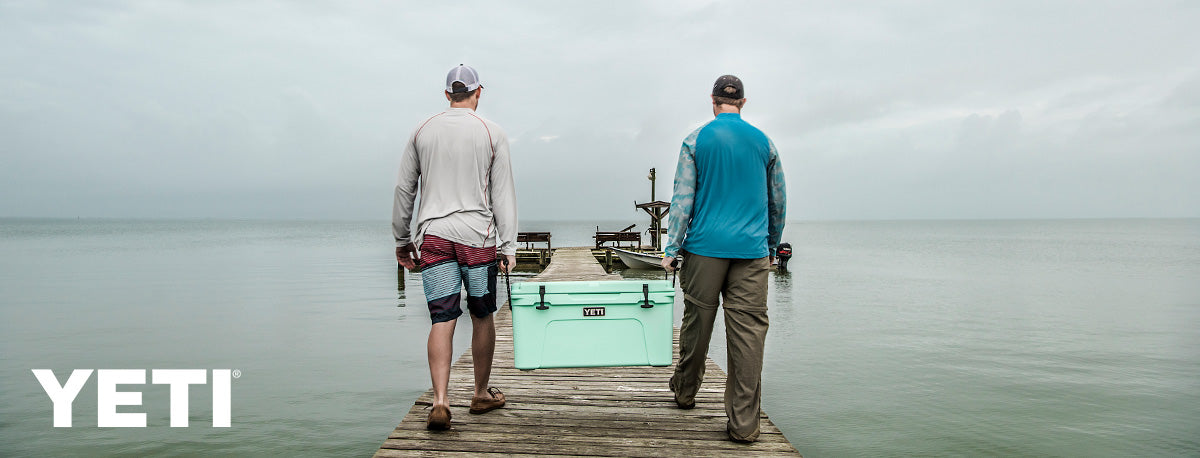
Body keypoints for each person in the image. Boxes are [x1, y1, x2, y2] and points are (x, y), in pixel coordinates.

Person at [661, 74, 786, 443]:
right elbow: (777, 200)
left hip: (703, 249)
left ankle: (685, 392)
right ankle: (744, 426)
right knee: (748, 336)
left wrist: (672, 248)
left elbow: (683, 199)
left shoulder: (695, 140)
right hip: (751, 253)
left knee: (697, 324)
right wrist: (772, 246)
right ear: (743, 104)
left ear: (712, 101)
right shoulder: (765, 142)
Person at [393, 64, 518, 431]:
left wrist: (402, 239)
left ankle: (440, 401)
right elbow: (503, 194)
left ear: (447, 95)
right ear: (479, 93)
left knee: (442, 318)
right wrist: (508, 246)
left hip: (433, 237)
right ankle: (479, 394)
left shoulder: (422, 131)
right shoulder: (492, 133)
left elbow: (404, 190)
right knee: (482, 315)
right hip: (477, 238)